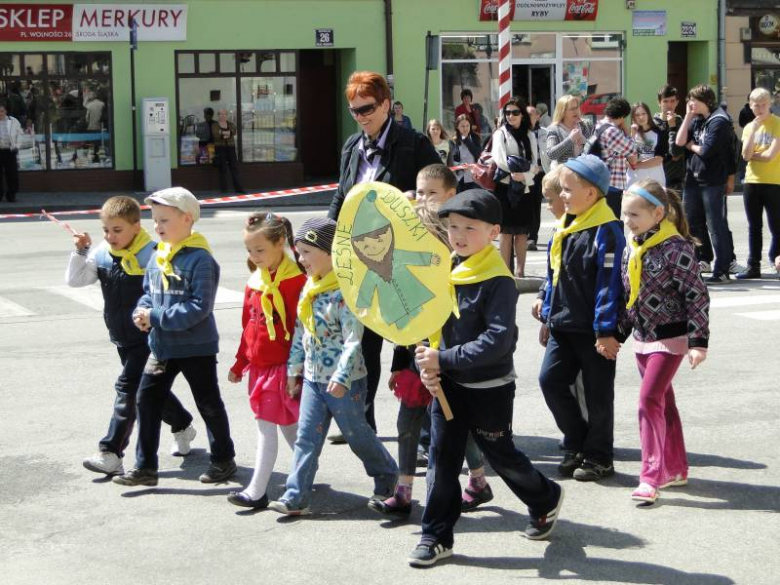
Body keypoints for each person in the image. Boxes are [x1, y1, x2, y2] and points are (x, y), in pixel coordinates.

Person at [410, 189, 564, 567]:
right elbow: (429, 320)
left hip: (489, 389)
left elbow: (497, 342)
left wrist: (442, 358)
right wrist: (424, 358)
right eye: (453, 227)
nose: (458, 235)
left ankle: (544, 498)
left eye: (469, 227)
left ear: (494, 231)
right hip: (447, 384)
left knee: (502, 456)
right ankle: (436, 535)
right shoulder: (447, 267)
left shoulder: (498, 280)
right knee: (442, 461)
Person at [370, 164, 493, 518]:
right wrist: (398, 363)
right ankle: (404, 491)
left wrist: (449, 357)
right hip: (415, 358)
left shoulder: (455, 270)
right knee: (406, 424)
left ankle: (479, 481)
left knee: (456, 425)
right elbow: (403, 320)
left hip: (446, 360)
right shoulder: (405, 269)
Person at [327, 71, 439, 435]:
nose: (361, 116)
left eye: (367, 108)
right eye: (354, 111)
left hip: (401, 259)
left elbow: (439, 189)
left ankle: (419, 430)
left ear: (387, 104)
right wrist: (327, 240)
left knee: (411, 342)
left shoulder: (413, 143)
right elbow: (341, 199)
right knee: (364, 345)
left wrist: (416, 200)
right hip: (362, 260)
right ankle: (364, 424)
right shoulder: (351, 147)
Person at [268, 218, 399, 515]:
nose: (301, 260)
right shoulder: (310, 288)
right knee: (306, 437)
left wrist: (341, 378)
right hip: (315, 380)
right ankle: (295, 496)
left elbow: (354, 340)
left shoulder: (346, 292)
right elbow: (302, 331)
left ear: (330, 252)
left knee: (357, 436)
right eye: (298, 253)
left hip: (346, 382)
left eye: (306, 253)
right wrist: (294, 369)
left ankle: (387, 474)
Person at [114, 187, 237, 487]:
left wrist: (155, 317)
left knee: (208, 403)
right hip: (162, 346)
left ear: (187, 219)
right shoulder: (158, 256)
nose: (157, 227)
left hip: (196, 347)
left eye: (164, 220)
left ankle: (223, 459)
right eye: (155, 221)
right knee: (146, 400)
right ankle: (145, 467)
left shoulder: (201, 260)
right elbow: (147, 294)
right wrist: (141, 313)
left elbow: (199, 307)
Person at [67, 196, 195, 477]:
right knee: (147, 391)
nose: (110, 236)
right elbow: (75, 280)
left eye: (117, 230)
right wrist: (81, 250)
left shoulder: (153, 253)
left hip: (150, 338)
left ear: (137, 226)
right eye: (106, 230)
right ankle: (183, 424)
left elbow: (174, 293)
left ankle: (111, 452)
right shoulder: (102, 253)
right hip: (121, 336)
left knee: (127, 387)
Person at [620, 179, 710, 503]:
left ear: (658, 213)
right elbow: (630, 294)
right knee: (663, 402)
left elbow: (697, 296)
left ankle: (650, 477)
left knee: (648, 401)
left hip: (670, 338)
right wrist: (616, 333)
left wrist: (699, 342)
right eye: (625, 214)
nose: (628, 221)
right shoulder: (634, 243)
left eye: (635, 215)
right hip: (643, 337)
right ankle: (676, 468)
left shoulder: (676, 247)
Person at [538, 154, 626, 482]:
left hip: (594, 331)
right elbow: (554, 274)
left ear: (591, 194)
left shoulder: (608, 230)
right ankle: (577, 440)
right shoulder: (566, 225)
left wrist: (605, 331)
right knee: (551, 381)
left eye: (567, 190)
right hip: (563, 323)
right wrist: (547, 311)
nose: (561, 196)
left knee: (597, 394)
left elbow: (609, 286)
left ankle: (600, 456)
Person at [226, 212, 307, 509]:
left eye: (259, 250)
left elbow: (302, 330)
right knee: (287, 426)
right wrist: (239, 363)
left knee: (266, 427)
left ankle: (257, 490)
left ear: (280, 243)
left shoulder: (296, 281)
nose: (254, 256)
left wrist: (296, 370)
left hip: (283, 366)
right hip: (259, 367)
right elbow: (249, 326)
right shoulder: (256, 281)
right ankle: (305, 471)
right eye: (249, 250)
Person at [531, 167, 587, 426]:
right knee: (559, 380)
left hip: (578, 321)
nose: (548, 205)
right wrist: (544, 299)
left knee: (579, 382)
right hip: (558, 318)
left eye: (550, 199)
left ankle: (586, 433)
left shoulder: (583, 232)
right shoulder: (558, 231)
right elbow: (553, 275)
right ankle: (576, 433)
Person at [676, 84, 741, 284]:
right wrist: (687, 117)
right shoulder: (697, 120)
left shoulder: (718, 122)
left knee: (716, 225)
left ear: (706, 101)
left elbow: (707, 150)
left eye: (694, 100)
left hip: (713, 181)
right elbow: (679, 142)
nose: (690, 103)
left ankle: (722, 270)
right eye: (689, 99)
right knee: (693, 223)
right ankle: (703, 260)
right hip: (693, 180)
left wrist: (692, 146)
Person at [490, 96, 540, 277]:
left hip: (525, 187)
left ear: (522, 115)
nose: (511, 116)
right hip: (505, 188)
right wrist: (516, 172)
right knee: (505, 232)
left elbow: (535, 164)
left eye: (515, 112)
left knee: (521, 232)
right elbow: (500, 160)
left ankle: (520, 271)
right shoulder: (500, 134)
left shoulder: (530, 135)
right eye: (508, 113)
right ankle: (505, 271)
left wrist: (524, 175)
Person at [737, 87, 780, 280]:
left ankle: (777, 260)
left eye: (764, 104)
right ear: (751, 106)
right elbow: (745, 155)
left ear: (769, 104)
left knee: (776, 226)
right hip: (752, 181)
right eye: (756, 105)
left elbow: (771, 156)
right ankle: (753, 265)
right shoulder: (749, 127)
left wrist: (754, 155)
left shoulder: (777, 124)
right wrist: (753, 131)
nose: (760, 109)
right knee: (754, 226)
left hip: (774, 181)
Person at [585, 97, 638, 218]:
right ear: (622, 116)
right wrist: (629, 133)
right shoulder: (612, 131)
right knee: (611, 222)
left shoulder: (598, 125)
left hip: (599, 182)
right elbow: (631, 149)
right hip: (611, 184)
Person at [544, 95, 593, 170]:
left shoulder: (584, 125)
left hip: (583, 173)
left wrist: (583, 140)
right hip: (564, 174)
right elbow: (551, 154)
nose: (576, 111)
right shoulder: (554, 129)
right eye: (572, 109)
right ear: (562, 111)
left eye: (577, 107)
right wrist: (571, 139)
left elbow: (592, 151)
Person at [653, 85, 687, 192]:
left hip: (675, 180)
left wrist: (672, 126)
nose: (669, 105)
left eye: (672, 101)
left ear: (677, 102)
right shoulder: (653, 124)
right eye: (665, 101)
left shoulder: (680, 122)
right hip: (656, 177)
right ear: (659, 103)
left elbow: (676, 154)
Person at [627, 102, 667, 188]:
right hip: (635, 179)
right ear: (633, 118)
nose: (641, 117)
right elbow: (629, 160)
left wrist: (636, 166)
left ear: (648, 114)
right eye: (637, 115)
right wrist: (633, 136)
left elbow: (658, 160)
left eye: (643, 113)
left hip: (654, 178)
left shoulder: (659, 131)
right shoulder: (630, 135)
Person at [527, 104, 546, 251]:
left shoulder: (544, 133)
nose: (529, 117)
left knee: (535, 205)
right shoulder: (522, 133)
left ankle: (533, 237)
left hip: (539, 173)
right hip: (526, 172)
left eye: (532, 114)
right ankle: (525, 235)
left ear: (538, 116)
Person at [211, 109, 245, 194]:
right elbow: (216, 135)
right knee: (223, 169)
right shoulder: (215, 125)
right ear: (218, 116)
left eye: (224, 114)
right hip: (220, 148)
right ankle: (224, 190)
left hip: (230, 148)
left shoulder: (230, 124)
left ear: (227, 115)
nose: (222, 116)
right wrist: (227, 134)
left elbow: (233, 132)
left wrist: (223, 133)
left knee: (234, 168)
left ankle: (239, 189)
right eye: (220, 114)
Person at [451, 114, 482, 192]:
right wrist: (460, 167)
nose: (465, 128)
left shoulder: (475, 138)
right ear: (457, 127)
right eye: (462, 126)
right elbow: (451, 161)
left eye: (467, 125)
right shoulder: (453, 141)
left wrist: (467, 141)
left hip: (474, 177)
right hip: (460, 178)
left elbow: (478, 155)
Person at [0, 103, 22, 202]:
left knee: (12, 174)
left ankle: (11, 194)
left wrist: (17, 146)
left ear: (5, 111)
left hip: (10, 151)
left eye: (1, 111)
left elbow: (20, 134)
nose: (0, 113)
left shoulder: (13, 121)